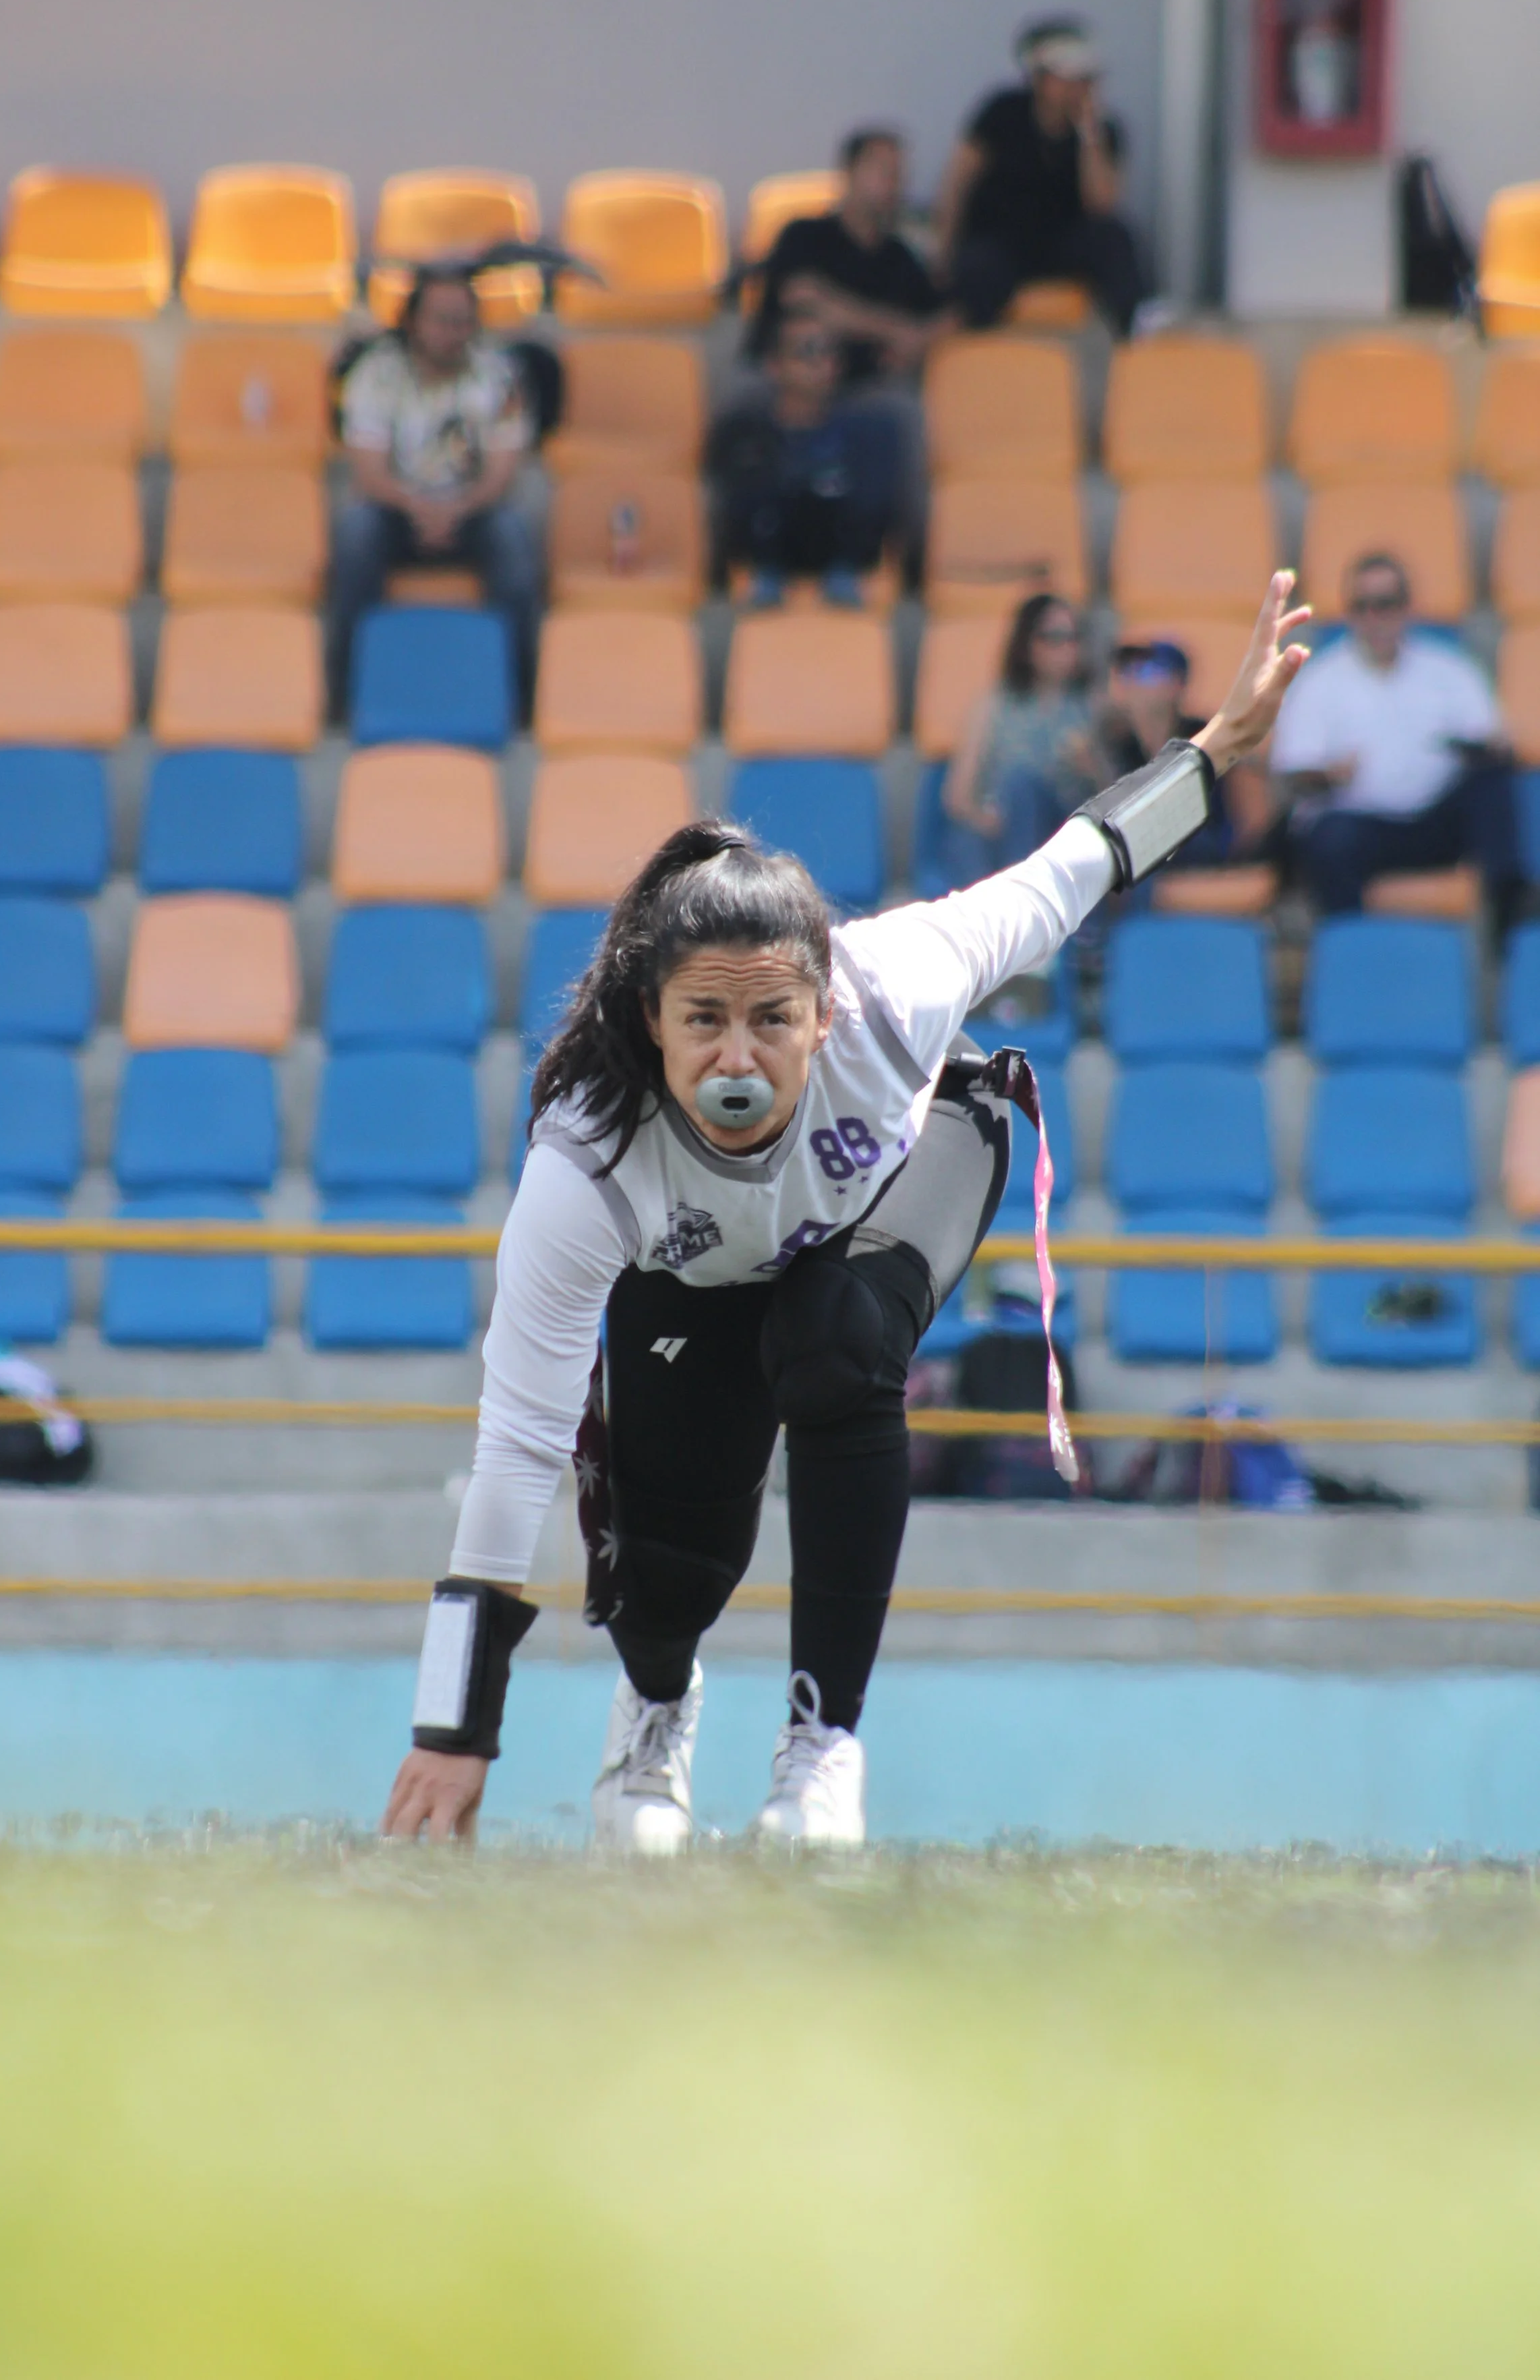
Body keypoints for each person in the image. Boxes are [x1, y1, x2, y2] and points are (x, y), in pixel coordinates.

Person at [381, 577, 1312, 1853]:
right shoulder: (588, 1157)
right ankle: (655, 1713)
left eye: (773, 1019)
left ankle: (822, 1746)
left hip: (897, 1185)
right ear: (650, 1021)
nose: (737, 1057)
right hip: (698, 1275)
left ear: (826, 1010)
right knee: (666, 1578)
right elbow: (514, 1452)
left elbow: (1073, 865)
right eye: (702, 1020)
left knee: (836, 1338)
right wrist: (453, 1729)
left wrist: (1213, 753)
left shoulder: (901, 983)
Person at [1269, 552, 1525, 930]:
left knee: (1493, 785)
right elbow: (1294, 774)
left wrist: (1482, 751)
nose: (1374, 618)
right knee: (1328, 836)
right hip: (1363, 826)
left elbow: (1492, 745)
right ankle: (1351, 947)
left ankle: (1512, 931)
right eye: (1361, 606)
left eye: (1385, 604)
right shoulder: (1319, 681)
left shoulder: (1450, 671)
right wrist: (1328, 775)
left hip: (1436, 822)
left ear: (1408, 607)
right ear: (1349, 613)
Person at [328, 268, 540, 708]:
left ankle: (522, 700)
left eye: (463, 321)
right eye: (442, 320)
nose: (454, 333)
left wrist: (458, 508)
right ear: (414, 323)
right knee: (355, 534)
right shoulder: (376, 374)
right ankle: (344, 697)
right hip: (396, 511)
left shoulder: (499, 376)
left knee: (514, 538)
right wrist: (419, 508)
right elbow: (369, 472)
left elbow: (502, 472)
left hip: (473, 511)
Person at [934, 17, 1146, 337]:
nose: (1077, 88)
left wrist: (1089, 133)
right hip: (1002, 240)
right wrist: (943, 250)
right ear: (1039, 79)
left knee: (1116, 239)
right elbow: (957, 181)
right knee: (978, 269)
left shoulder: (1104, 131)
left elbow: (1102, 205)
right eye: (1067, 78)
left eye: (1085, 79)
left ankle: (1134, 338)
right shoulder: (1003, 112)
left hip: (1062, 243)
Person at [705, 309, 906, 606]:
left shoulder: (871, 431)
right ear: (775, 365)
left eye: (829, 352)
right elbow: (737, 510)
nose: (822, 363)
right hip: (763, 568)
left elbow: (875, 512)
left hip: (847, 569)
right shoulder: (741, 431)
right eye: (807, 352)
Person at [747, 127, 953, 388]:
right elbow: (804, 297)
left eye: (899, 174)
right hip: (781, 386)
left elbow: (937, 314)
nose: (894, 183)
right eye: (883, 170)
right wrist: (894, 330)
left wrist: (917, 342)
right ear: (849, 172)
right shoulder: (804, 235)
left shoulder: (899, 257)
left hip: (862, 393)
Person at [936, 593, 1098, 885]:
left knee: (1026, 787)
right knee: (1007, 798)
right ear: (1027, 644)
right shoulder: (993, 705)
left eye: (1073, 637)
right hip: (998, 828)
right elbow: (957, 797)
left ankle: (1022, 898)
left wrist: (1092, 767)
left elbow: (1112, 792)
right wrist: (990, 822)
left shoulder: (1093, 709)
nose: (1066, 648)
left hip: (1061, 831)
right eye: (1054, 637)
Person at [1098, 639, 1235, 872]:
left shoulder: (1204, 736)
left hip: (1199, 844)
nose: (1134, 682)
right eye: (1129, 672)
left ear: (1176, 685)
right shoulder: (1115, 742)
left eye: (1148, 672)